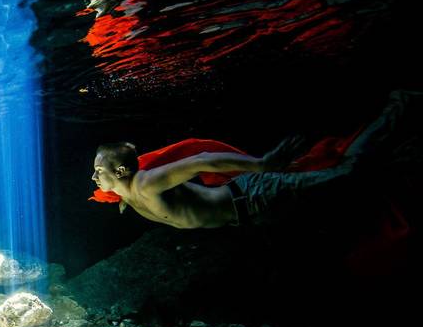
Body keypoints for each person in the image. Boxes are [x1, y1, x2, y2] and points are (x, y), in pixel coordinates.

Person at [90, 91, 418, 229]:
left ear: (119, 171)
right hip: (252, 212)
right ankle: (400, 151)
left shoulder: (146, 183)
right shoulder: (124, 194)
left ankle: (398, 107)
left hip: (255, 193)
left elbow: (201, 160)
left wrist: (262, 164)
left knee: (348, 174)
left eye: (98, 171)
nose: (93, 178)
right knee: (351, 186)